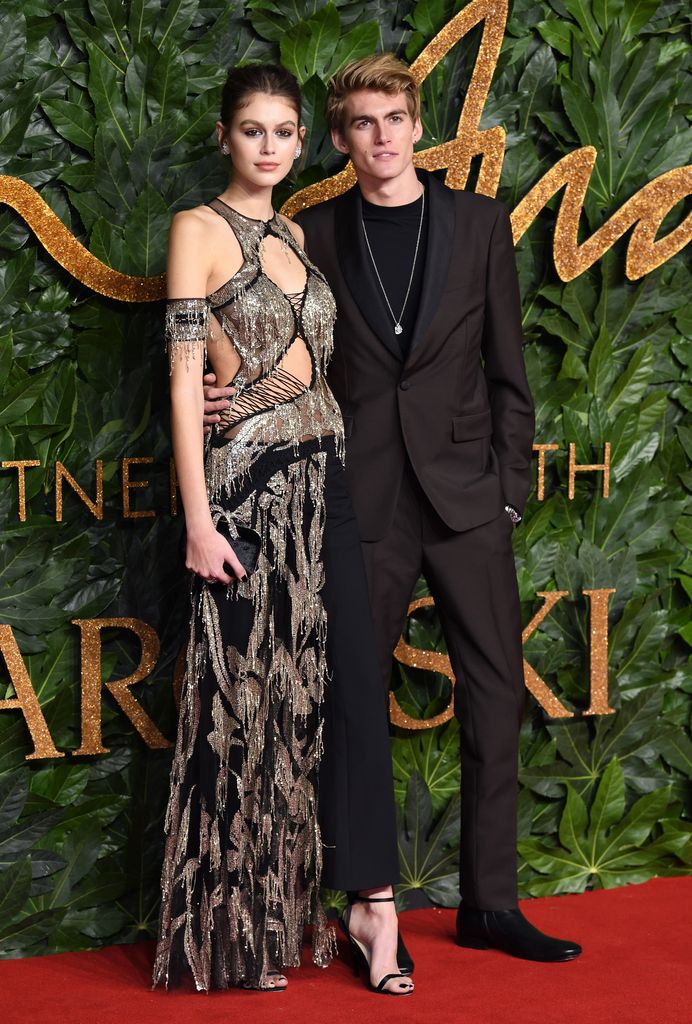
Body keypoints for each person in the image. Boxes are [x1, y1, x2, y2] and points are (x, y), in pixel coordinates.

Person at [204, 54, 582, 964]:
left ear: (417, 127)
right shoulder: (312, 234)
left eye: (396, 119)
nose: (382, 136)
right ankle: (367, 906)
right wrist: (227, 395)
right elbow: (277, 350)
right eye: (363, 123)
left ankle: (491, 904)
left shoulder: (480, 223)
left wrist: (508, 491)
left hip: (465, 498)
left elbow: (508, 371)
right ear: (338, 139)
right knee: (353, 709)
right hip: (359, 495)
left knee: (495, 698)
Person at [153, 63, 413, 996]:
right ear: (225, 136)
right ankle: (238, 930)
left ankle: (369, 906)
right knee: (247, 702)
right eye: (254, 130)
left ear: (306, 141)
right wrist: (195, 519)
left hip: (326, 480)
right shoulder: (197, 229)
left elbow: (317, 367)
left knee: (346, 691)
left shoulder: (297, 234)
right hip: (247, 493)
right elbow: (186, 380)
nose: (271, 146)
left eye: (287, 131)